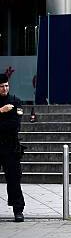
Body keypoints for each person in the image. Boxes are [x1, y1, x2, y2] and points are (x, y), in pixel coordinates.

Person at [0, 73, 25, 222]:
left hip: (10, 146)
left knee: (14, 180)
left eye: (6, 85)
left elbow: (15, 125)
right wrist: (1, 111)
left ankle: (18, 210)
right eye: (2, 86)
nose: (5, 88)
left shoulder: (15, 102)